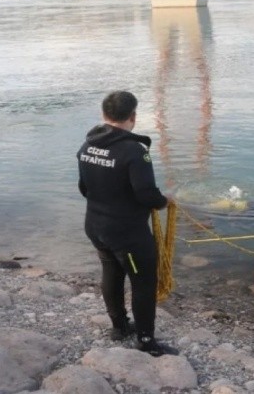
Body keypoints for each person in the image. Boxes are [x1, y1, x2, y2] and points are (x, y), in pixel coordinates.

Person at [77, 90, 178, 357]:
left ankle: (120, 327)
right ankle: (146, 341)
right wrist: (164, 202)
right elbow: (147, 195)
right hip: (128, 234)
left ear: (103, 115)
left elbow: (84, 188)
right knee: (143, 283)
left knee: (111, 272)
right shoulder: (135, 151)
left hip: (96, 226)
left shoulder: (87, 145)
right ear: (133, 116)